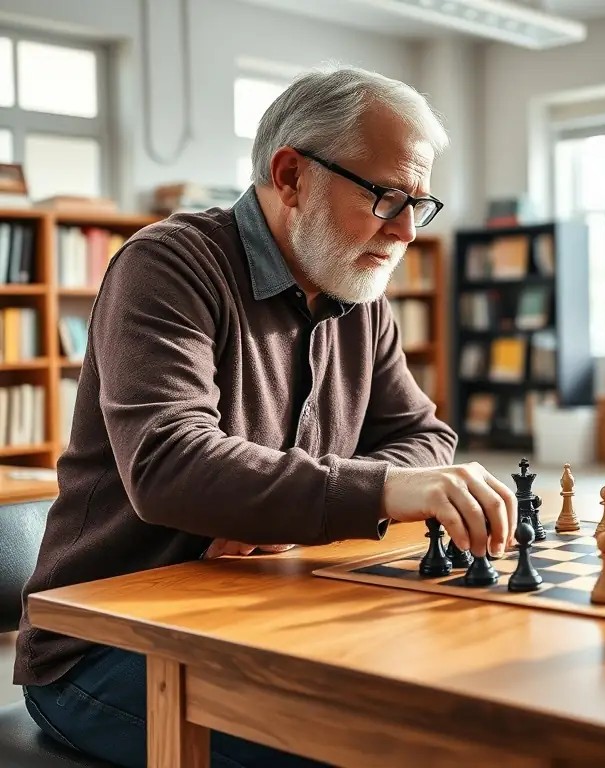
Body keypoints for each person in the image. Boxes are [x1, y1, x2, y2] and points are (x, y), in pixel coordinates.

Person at [14, 64, 516, 767]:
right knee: (381, 750)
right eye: (386, 196)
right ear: (290, 177)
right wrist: (368, 492)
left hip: (258, 614)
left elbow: (425, 436)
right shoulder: (168, 264)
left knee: (465, 712)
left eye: (420, 204)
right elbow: (170, 463)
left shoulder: (360, 297)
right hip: (107, 646)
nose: (405, 231)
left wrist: (294, 511)